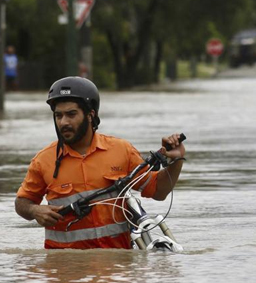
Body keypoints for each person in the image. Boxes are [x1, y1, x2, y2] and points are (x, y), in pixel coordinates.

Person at [14, 76, 186, 249]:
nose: (64, 122)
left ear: (90, 115)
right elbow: (22, 203)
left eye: (71, 114)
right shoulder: (43, 160)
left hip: (117, 269)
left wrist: (176, 160)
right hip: (64, 270)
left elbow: (158, 190)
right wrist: (35, 211)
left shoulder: (121, 150)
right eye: (58, 116)